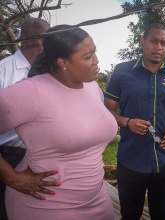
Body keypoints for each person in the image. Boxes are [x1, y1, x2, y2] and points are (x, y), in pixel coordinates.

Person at [0, 25, 118, 220]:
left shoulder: (92, 87)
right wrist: (11, 178)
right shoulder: (31, 92)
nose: (97, 61)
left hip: (97, 200)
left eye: (95, 52)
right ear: (63, 62)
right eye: (88, 56)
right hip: (48, 204)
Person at [105, 22, 165, 219]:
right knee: (129, 215)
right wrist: (127, 122)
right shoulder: (122, 71)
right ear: (142, 41)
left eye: (164, 42)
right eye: (153, 41)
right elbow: (107, 110)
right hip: (130, 161)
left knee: (162, 215)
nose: (159, 47)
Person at [0, 17, 50, 220]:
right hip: (8, 159)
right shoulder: (3, 71)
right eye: (45, 37)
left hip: (44, 160)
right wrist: (10, 177)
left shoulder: (51, 72)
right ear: (25, 39)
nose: (49, 43)